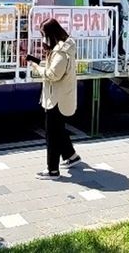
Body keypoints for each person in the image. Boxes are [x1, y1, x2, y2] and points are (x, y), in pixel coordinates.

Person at [29, 19, 81, 177]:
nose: (43, 38)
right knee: (58, 129)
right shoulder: (64, 47)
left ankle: (52, 169)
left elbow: (53, 74)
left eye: (44, 34)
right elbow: (54, 68)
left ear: (51, 34)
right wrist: (38, 61)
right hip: (60, 97)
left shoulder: (60, 52)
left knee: (52, 134)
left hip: (56, 99)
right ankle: (71, 156)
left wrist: (36, 67)